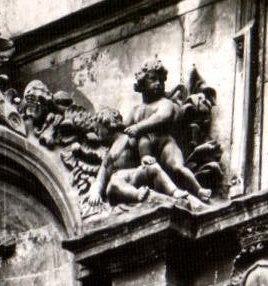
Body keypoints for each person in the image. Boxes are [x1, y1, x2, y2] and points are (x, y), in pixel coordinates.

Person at [88, 57, 211, 207]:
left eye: (161, 80)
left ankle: (196, 190)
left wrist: (138, 129)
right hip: (131, 173)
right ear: (141, 82)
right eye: (153, 79)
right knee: (117, 180)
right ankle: (142, 190)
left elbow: (161, 118)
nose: (158, 83)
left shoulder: (165, 104)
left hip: (162, 148)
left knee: (175, 167)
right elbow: (123, 128)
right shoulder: (134, 113)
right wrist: (95, 190)